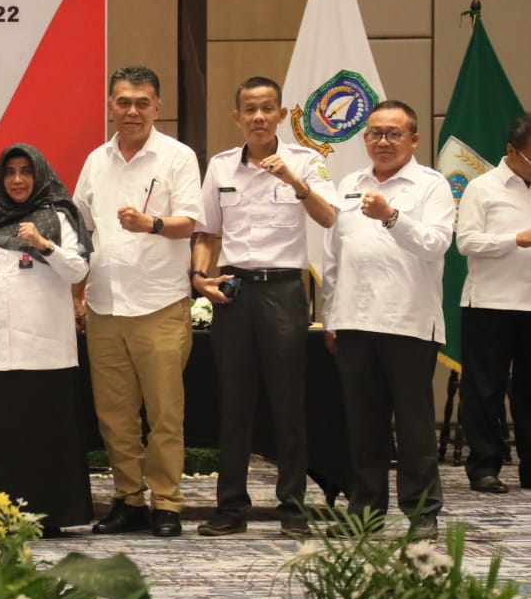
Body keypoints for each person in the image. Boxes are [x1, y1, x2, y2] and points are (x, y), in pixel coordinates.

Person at [190, 77, 335, 537]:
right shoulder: (220, 166)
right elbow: (207, 233)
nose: (258, 117)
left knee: (288, 402)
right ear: (237, 116)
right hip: (233, 290)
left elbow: (329, 217)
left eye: (267, 108)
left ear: (281, 114)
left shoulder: (305, 161)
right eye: (250, 109)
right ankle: (231, 507)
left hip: (284, 291)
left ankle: (293, 507)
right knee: (234, 402)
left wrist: (293, 181)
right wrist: (199, 277)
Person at [73, 65, 201, 538]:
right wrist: (76, 294)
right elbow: (80, 230)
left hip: (159, 304)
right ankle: (128, 499)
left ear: (157, 108)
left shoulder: (178, 157)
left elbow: (192, 222)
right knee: (115, 415)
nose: (132, 111)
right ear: (111, 105)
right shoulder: (96, 160)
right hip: (105, 304)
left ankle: (166, 503)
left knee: (164, 414)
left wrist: (152, 224)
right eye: (123, 102)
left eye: (142, 103)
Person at [322, 99, 452, 537]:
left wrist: (392, 217)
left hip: (408, 323)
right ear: (365, 139)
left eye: (394, 133)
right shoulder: (349, 184)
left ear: (414, 139)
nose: (383, 141)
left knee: (415, 428)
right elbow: (334, 257)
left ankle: (422, 514)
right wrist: (331, 317)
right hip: (353, 322)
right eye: (375, 133)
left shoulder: (431, 185)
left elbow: (436, 244)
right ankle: (366, 512)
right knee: (364, 427)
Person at [0, 144, 92, 536]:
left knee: (45, 437)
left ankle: (52, 516)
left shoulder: (59, 218)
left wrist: (44, 245)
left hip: (47, 352)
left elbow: (77, 270)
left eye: (26, 171)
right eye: (10, 172)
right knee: (2, 440)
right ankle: (0, 516)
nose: (17, 180)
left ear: (39, 175)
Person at [451, 113, 531, 494]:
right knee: (485, 390)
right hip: (489, 303)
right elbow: (466, 242)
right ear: (512, 151)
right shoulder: (482, 188)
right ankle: (484, 466)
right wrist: (515, 240)